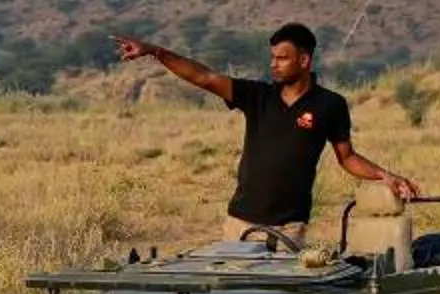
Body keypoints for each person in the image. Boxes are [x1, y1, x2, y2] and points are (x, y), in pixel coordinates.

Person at [113, 23, 419, 248]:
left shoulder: (330, 104)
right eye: (272, 57)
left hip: (290, 228)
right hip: (241, 223)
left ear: (304, 60)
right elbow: (203, 77)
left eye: (282, 58)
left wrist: (385, 175)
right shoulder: (256, 95)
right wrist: (154, 51)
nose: (274, 64)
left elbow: (347, 157)